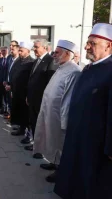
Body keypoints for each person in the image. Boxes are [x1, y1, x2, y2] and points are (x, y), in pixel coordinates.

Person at [54, 23, 112, 199]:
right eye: (88, 42)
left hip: (96, 146)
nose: (86, 46)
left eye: (92, 43)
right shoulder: (89, 67)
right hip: (78, 137)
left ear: (108, 45)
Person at [33, 40, 81, 183]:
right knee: (52, 141)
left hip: (60, 117)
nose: (54, 55)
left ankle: (60, 171)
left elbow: (68, 99)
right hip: (50, 113)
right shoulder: (61, 67)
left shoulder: (74, 71)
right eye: (54, 52)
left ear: (68, 53)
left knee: (60, 143)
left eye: (57, 52)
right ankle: (54, 163)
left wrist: (64, 123)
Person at [25, 39, 57, 157]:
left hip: (41, 101)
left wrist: (45, 100)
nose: (34, 49)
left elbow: (50, 83)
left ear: (44, 47)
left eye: (36, 47)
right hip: (32, 99)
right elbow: (31, 79)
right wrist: (28, 96)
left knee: (42, 126)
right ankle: (35, 145)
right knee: (34, 123)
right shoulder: (37, 61)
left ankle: (41, 150)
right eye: (34, 46)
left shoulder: (50, 61)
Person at [9, 42, 35, 135]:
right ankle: (21, 128)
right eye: (19, 50)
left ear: (28, 51)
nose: (19, 52)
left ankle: (28, 132)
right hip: (16, 92)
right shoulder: (18, 61)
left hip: (24, 93)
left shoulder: (31, 62)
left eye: (21, 51)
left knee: (25, 113)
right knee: (19, 112)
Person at [4, 41, 19, 120]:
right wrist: (6, 81)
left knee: (14, 103)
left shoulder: (19, 60)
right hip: (8, 83)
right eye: (10, 46)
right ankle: (11, 117)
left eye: (13, 46)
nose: (11, 48)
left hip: (14, 86)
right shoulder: (9, 58)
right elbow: (7, 70)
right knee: (9, 101)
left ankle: (15, 119)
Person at [0, 46, 9, 114]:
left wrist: (6, 80)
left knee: (7, 96)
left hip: (7, 81)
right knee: (2, 95)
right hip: (1, 81)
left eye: (4, 50)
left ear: (7, 51)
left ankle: (7, 109)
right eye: (2, 51)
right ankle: (3, 108)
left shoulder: (9, 59)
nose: (3, 52)